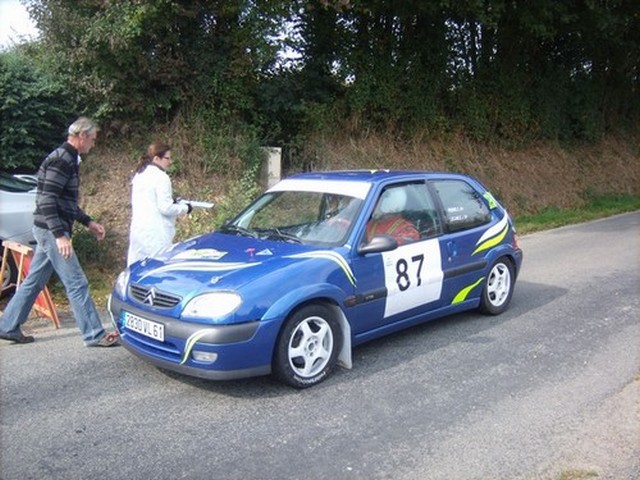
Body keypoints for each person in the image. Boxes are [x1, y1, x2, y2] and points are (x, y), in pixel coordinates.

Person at [0, 117, 119, 346]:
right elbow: (47, 201)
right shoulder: (62, 160)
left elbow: (65, 202)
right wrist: (60, 235)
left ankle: (7, 326)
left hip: (48, 229)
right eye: (92, 140)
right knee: (77, 282)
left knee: (34, 280)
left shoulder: (67, 158)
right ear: (81, 136)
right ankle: (94, 334)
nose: (93, 145)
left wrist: (88, 222)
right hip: (51, 231)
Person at [127, 143, 191, 266]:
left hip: (139, 231)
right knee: (157, 269)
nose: (170, 162)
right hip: (156, 233)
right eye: (167, 158)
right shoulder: (161, 177)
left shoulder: (140, 174)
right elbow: (165, 208)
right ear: (156, 158)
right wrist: (185, 208)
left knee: (137, 269)